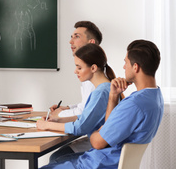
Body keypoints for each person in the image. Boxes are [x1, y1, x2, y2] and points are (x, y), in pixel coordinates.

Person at [40, 39, 164, 169]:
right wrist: (113, 96)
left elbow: (98, 142)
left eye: (125, 62)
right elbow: (108, 125)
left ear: (135, 67)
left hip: (101, 163)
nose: (123, 67)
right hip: (109, 160)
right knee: (57, 158)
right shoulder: (155, 97)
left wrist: (96, 132)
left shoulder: (134, 104)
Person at [37, 43, 115, 162]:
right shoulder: (105, 88)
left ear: (93, 68)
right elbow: (88, 117)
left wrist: (47, 125)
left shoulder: (101, 92)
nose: (75, 71)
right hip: (100, 146)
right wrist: (59, 120)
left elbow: (81, 127)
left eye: (79, 68)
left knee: (57, 158)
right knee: (57, 157)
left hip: (100, 150)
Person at [49, 21, 103, 119]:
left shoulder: (94, 75)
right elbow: (86, 104)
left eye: (76, 36)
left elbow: (83, 112)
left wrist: (58, 115)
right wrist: (66, 108)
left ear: (91, 43)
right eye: (71, 37)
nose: (71, 41)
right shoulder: (93, 70)